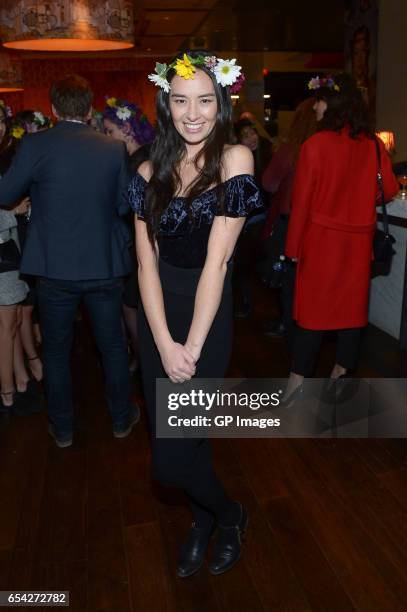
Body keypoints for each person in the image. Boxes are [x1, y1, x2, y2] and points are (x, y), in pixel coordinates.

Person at [128, 51, 261, 577]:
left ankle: (224, 517)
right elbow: (144, 264)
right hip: (158, 318)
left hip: (207, 318)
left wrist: (192, 348)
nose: (193, 113)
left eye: (205, 100)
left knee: (178, 452)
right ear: (165, 103)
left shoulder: (234, 160)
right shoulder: (146, 167)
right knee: (173, 454)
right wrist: (162, 343)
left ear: (221, 102)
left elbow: (219, 262)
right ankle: (214, 517)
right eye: (181, 100)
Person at [0, 75, 138, 447]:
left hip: (54, 268)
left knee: (57, 350)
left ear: (55, 110)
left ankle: (62, 429)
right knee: (112, 346)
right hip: (103, 265)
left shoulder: (34, 144)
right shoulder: (112, 149)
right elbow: (125, 205)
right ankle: (121, 419)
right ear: (89, 108)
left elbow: (5, 193)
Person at [282, 73, 399, 403]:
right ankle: (341, 371)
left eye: (318, 101)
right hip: (358, 243)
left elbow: (301, 204)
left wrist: (292, 249)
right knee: (352, 312)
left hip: (321, 242)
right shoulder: (374, 145)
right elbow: (388, 190)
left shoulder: (314, 146)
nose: (315, 107)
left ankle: (296, 383)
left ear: (330, 104)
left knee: (312, 315)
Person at [103, 97, 155, 373]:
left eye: (109, 131)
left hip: (142, 245)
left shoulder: (141, 161)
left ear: (126, 128)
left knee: (132, 304)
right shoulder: (140, 155)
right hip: (137, 243)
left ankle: (144, 359)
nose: (106, 137)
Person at [261, 97, 317, 342]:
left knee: (288, 277)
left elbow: (269, 183)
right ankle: (308, 325)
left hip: (290, 220)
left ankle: (287, 325)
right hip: (317, 225)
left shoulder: (292, 148)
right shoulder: (326, 148)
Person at [0, 100, 41, 417]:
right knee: (6, 325)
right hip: (3, 251)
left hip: (9, 250)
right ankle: (8, 391)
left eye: (1, 120)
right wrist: (12, 214)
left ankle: (20, 377)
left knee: (12, 321)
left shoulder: (6, 157)